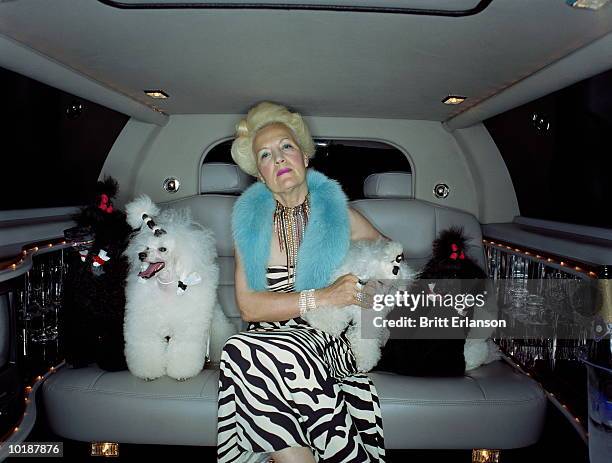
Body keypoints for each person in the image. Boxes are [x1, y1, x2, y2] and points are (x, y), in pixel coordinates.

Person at [217, 101, 386, 463]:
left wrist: (366, 291)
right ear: (260, 175)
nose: (278, 159)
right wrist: (321, 296)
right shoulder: (247, 227)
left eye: (286, 147)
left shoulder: (343, 216)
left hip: (327, 339)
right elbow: (248, 306)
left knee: (239, 352)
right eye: (265, 155)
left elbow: (391, 268)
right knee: (248, 350)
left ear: (305, 157)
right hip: (266, 340)